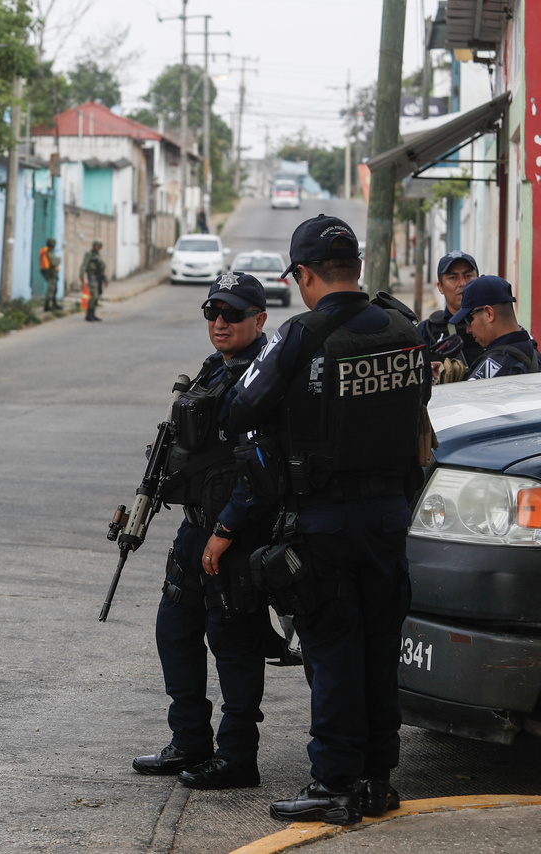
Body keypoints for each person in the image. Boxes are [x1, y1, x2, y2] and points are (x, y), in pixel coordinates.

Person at [230, 215, 429, 826]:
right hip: (390, 517)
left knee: (335, 653)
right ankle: (375, 780)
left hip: (325, 521)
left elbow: (240, 409)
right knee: (379, 648)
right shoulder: (405, 329)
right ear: (357, 268)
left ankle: (334, 783)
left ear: (304, 274)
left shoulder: (300, 334)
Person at [133, 272, 272, 790]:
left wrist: (228, 527)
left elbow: (260, 466)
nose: (220, 322)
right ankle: (189, 740)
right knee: (174, 632)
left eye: (233, 314)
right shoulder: (215, 367)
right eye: (213, 312)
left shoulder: (264, 376)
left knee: (233, 645)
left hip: (234, 535)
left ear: (259, 319)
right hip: (196, 528)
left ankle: (237, 756)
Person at [445, 275, 541, 380]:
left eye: (469, 320)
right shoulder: (532, 351)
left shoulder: (496, 363)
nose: (468, 329)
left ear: (489, 313)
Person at [416, 251, 483, 378]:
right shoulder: (427, 331)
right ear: (440, 287)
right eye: (453, 278)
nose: (462, 283)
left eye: (468, 276)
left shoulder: (495, 324)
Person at [80, 240, 106, 322]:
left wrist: (105, 279)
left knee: (97, 296)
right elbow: (84, 265)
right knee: (93, 296)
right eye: (96, 246)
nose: (97, 248)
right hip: (92, 277)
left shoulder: (98, 255)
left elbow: (101, 269)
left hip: (99, 278)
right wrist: (81, 275)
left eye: (99, 246)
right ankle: (89, 314)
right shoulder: (89, 254)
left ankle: (93, 314)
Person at [39, 237, 60, 312]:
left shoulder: (46, 251)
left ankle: (54, 304)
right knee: (51, 289)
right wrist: (58, 260)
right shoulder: (48, 252)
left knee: (54, 289)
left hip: (50, 272)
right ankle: (47, 306)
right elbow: (54, 263)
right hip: (51, 272)